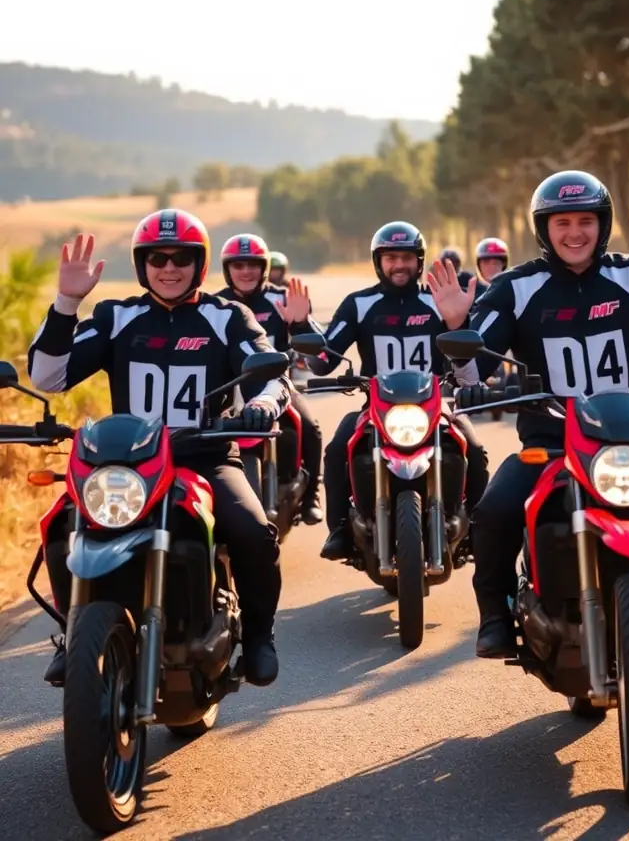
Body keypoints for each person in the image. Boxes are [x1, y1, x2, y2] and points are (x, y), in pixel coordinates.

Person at [428, 172, 629, 659]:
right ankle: (494, 613)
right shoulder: (516, 287)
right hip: (550, 446)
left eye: (585, 221)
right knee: (493, 511)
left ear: (603, 224)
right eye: (562, 222)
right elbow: (476, 373)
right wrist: (455, 325)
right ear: (543, 228)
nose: (574, 232)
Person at [28, 210, 290, 688]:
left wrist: (263, 406)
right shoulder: (115, 315)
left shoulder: (227, 315)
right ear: (141, 264)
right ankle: (76, 633)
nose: (168, 268)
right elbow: (48, 377)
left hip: (205, 457)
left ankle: (258, 636)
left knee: (254, 532)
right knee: (64, 525)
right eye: (156, 258)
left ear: (201, 263)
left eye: (181, 258)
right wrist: (67, 302)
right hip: (131, 464)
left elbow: (270, 376)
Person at [309, 221, 490, 560]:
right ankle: (339, 530)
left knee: (475, 451)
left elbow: (468, 363)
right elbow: (324, 360)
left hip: (436, 407)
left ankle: (478, 529)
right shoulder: (358, 304)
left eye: (406, 257)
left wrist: (457, 322)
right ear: (378, 262)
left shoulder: (438, 301)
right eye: (390, 257)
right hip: (374, 410)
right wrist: (306, 339)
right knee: (336, 449)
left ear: (419, 261)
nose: (398, 265)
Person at [217, 233, 323, 524]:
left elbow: (320, 353)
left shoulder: (282, 298)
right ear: (227, 270)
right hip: (232, 390)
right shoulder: (215, 305)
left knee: (311, 427)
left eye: (253, 264)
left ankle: (311, 495)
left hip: (279, 387)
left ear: (264, 267)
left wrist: (300, 322)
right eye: (238, 265)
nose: (246, 271)